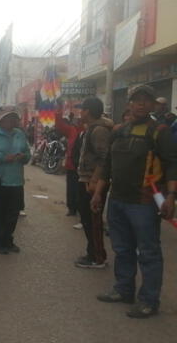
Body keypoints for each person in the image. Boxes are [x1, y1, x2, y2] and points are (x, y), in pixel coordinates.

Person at [93, 85, 177, 318]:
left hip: (144, 203)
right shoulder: (118, 131)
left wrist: (170, 196)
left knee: (148, 252)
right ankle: (123, 290)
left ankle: (149, 300)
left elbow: (172, 165)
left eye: (146, 101)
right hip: (117, 200)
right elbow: (108, 165)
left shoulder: (160, 131)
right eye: (136, 100)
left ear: (153, 105)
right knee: (122, 249)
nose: (141, 104)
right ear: (129, 104)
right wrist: (99, 192)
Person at [0, 106, 30, 255]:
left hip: (16, 180)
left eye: (13, 119)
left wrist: (24, 157)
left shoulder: (20, 134)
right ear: (0, 121)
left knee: (13, 213)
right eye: (7, 119)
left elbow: (27, 154)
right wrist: (3, 157)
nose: (10, 121)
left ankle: (8, 240)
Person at [75, 97, 112, 269]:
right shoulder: (92, 128)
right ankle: (92, 252)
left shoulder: (98, 131)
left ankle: (97, 257)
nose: (80, 112)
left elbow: (104, 159)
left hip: (93, 182)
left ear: (88, 111)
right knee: (86, 218)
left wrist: (95, 181)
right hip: (86, 179)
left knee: (93, 221)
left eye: (82, 109)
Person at [54, 104, 83, 217]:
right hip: (71, 165)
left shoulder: (89, 129)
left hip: (83, 167)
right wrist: (58, 111)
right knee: (71, 188)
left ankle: (81, 210)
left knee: (80, 190)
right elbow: (60, 125)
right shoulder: (72, 130)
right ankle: (72, 208)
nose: (78, 119)